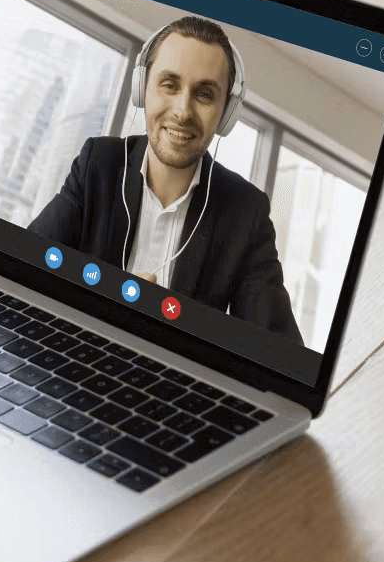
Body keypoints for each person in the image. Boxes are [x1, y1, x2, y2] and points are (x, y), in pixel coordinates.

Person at [29, 17, 300, 341]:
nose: (183, 111)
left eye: (203, 94)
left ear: (226, 113)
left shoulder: (245, 211)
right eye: (169, 85)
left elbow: (278, 351)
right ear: (143, 88)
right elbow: (26, 264)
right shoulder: (98, 164)